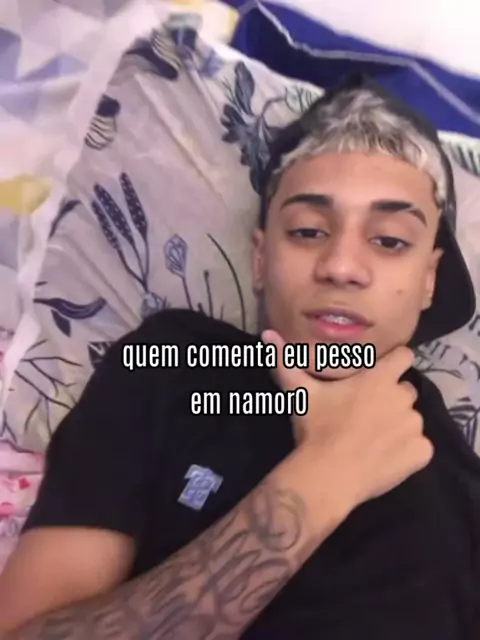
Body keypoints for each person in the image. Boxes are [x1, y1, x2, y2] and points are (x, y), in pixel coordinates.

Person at [0, 73, 479, 640]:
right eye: (308, 231)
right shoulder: (173, 366)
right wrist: (326, 475)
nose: (341, 266)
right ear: (259, 259)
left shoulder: (460, 492)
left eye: (390, 240)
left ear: (429, 279)